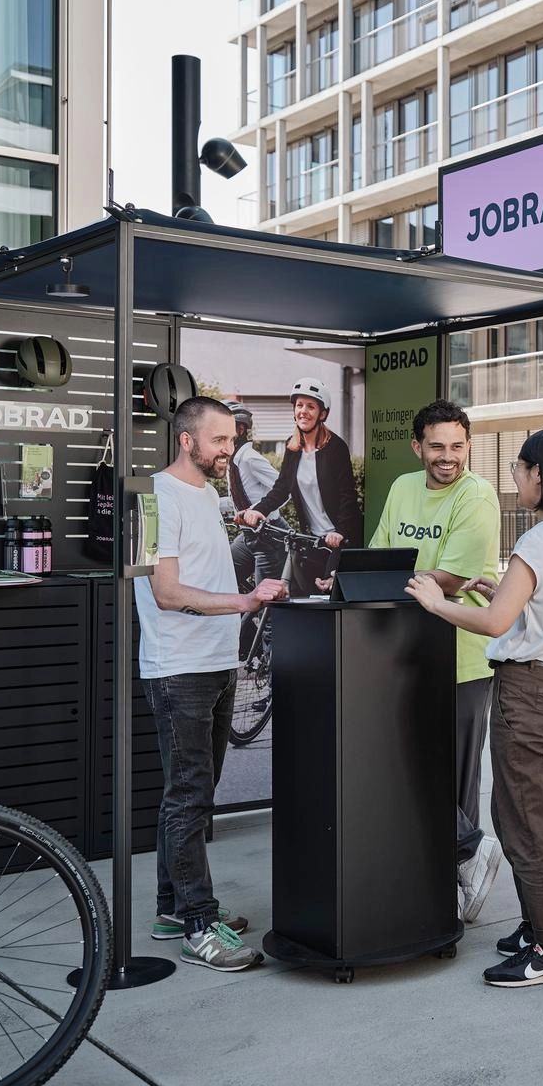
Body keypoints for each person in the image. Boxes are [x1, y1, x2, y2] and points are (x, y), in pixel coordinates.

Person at [408, 428, 543, 989]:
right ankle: (536, 925)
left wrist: (437, 603)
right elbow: (533, 610)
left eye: (519, 470)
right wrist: (499, 589)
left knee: (523, 820)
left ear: (540, 473)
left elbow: (495, 625)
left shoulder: (540, 540)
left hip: (527, 690)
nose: (515, 480)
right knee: (522, 814)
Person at [137, 396, 289, 971]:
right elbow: (167, 592)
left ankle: (172, 909)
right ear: (186, 440)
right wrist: (245, 601)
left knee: (191, 794)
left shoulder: (206, 495)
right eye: (220, 440)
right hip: (180, 670)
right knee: (190, 795)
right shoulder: (154, 499)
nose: (230, 449)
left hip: (215, 664)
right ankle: (200, 925)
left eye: (232, 439)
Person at [371, 399, 504, 924]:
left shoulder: (478, 496)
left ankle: (458, 884)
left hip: (461, 659)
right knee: (409, 767)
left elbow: (448, 579)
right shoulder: (403, 488)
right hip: (401, 654)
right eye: (437, 446)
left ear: (468, 446)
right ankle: (465, 859)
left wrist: (395, 581)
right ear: (417, 447)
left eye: (457, 446)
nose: (447, 457)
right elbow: (381, 554)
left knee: (455, 778)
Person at [242, 378, 361, 593]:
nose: (303, 411)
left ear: (322, 414)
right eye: (299, 405)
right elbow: (281, 488)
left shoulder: (336, 447)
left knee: (330, 597)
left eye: (311, 406)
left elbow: (347, 495)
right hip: (312, 541)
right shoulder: (293, 447)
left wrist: (341, 532)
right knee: (302, 596)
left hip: (339, 542)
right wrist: (259, 510)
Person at [221, 402, 283, 591]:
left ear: (240, 430)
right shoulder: (233, 461)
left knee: (267, 603)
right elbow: (237, 501)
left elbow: (285, 490)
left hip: (270, 536)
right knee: (223, 579)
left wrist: (257, 510)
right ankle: (240, 620)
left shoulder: (250, 458)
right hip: (250, 536)